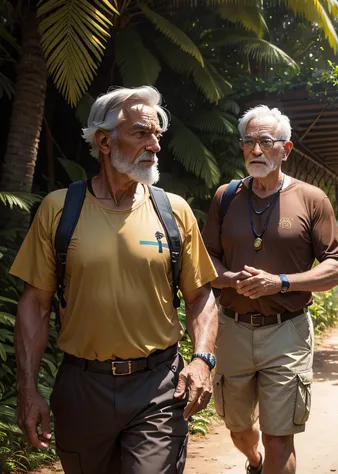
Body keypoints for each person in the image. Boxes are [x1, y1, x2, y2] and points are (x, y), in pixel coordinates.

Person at [10, 86, 218, 474]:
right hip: (82, 387)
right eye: (141, 133)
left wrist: (203, 359)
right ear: (104, 141)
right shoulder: (59, 209)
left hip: (158, 385)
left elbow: (200, 297)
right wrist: (27, 388)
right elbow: (35, 305)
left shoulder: (173, 211)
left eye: (157, 135)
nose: (154, 145)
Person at [202, 105, 338, 474]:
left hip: (287, 330)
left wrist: (280, 283)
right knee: (237, 428)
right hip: (232, 328)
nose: (255, 150)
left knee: (279, 437)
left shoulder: (312, 199)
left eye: (265, 141)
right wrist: (230, 278)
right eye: (248, 142)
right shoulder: (225, 197)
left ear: (286, 149)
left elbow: (337, 267)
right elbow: (207, 261)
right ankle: (253, 460)